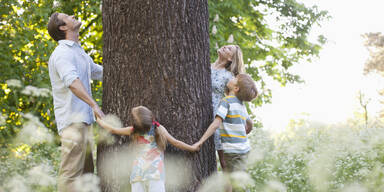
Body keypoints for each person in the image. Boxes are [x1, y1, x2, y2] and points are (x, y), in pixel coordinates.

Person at [47, 12, 104, 192]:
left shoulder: (78, 51)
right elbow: (72, 83)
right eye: (67, 17)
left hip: (84, 122)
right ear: (63, 27)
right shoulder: (62, 53)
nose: (72, 15)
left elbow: (97, 72)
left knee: (87, 174)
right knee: (71, 175)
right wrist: (94, 104)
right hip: (72, 121)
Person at [96, 106, 200, 192]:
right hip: (155, 174)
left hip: (138, 174)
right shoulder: (159, 129)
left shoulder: (133, 131)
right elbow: (176, 142)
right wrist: (192, 147)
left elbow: (113, 130)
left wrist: (99, 120)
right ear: (150, 116)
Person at [195, 73, 257, 192]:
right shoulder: (241, 105)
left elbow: (216, 124)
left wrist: (201, 141)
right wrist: (242, 133)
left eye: (235, 79)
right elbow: (250, 124)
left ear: (236, 88)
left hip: (232, 151)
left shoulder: (227, 101)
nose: (231, 78)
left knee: (235, 184)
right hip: (244, 149)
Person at [211, 45, 245, 170]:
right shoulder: (205, 66)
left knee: (225, 164)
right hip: (199, 116)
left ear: (231, 58)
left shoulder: (229, 76)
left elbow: (235, 100)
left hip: (217, 119)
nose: (224, 46)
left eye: (229, 49)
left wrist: (246, 121)